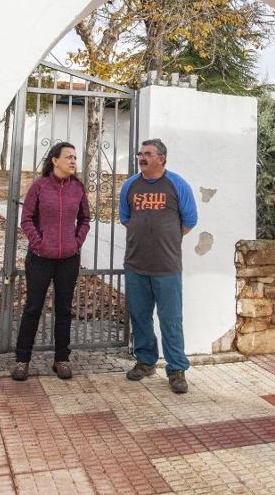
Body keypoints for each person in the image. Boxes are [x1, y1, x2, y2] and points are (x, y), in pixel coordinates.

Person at [119, 138, 197, 394]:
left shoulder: (177, 184)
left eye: (148, 154)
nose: (142, 157)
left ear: (161, 158)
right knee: (140, 317)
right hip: (136, 265)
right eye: (140, 154)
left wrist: (167, 239)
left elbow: (189, 221)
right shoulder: (130, 185)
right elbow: (126, 218)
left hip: (167, 266)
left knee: (170, 320)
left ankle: (176, 370)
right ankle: (145, 361)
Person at [11, 141, 91, 381]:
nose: (73, 161)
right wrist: (39, 243)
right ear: (55, 160)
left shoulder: (78, 188)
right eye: (68, 157)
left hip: (68, 259)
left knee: (64, 310)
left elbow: (85, 219)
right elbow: (27, 219)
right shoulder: (39, 186)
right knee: (33, 308)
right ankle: (22, 360)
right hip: (40, 259)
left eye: (75, 157)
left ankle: (62, 360)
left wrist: (76, 243)